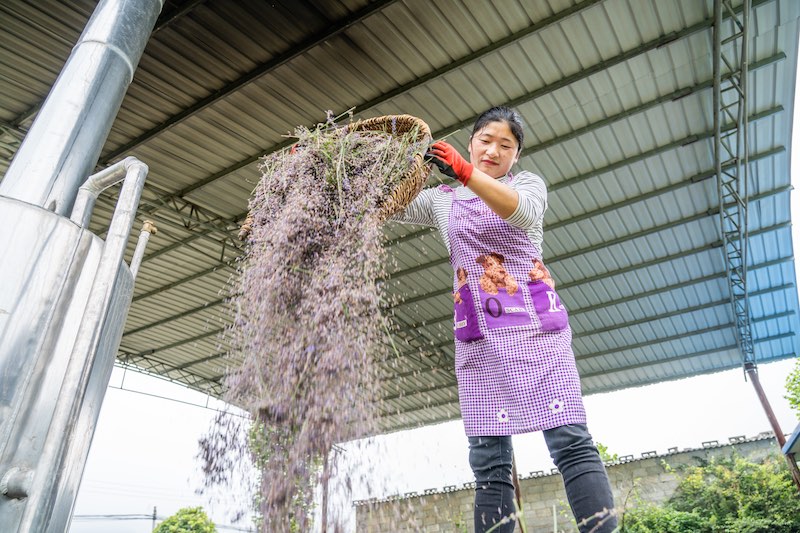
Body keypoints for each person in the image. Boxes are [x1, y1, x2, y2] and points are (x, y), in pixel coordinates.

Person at [393, 106, 617, 532]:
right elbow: (387, 205)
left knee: (569, 439)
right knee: (488, 458)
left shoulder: (528, 186)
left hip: (535, 330)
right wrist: (373, 175)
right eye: (485, 141)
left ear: (516, 156)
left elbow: (522, 213)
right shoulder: (441, 201)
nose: (493, 150)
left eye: (505, 145)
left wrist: (463, 172)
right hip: (478, 338)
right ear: (471, 142)